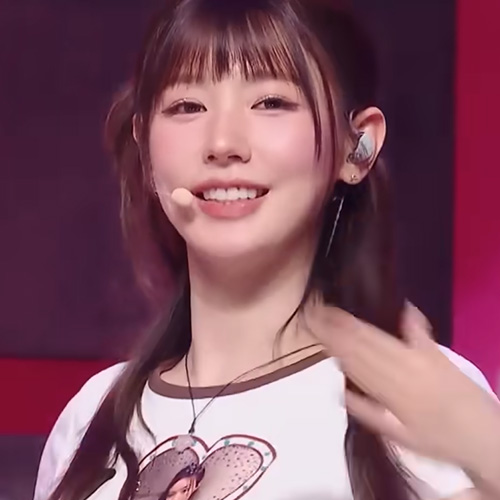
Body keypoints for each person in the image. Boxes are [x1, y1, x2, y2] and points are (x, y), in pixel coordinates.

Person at [33, 1, 500, 500]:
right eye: (187, 106)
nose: (222, 143)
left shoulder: (417, 404)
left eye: (271, 102)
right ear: (145, 147)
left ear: (357, 146)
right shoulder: (90, 420)